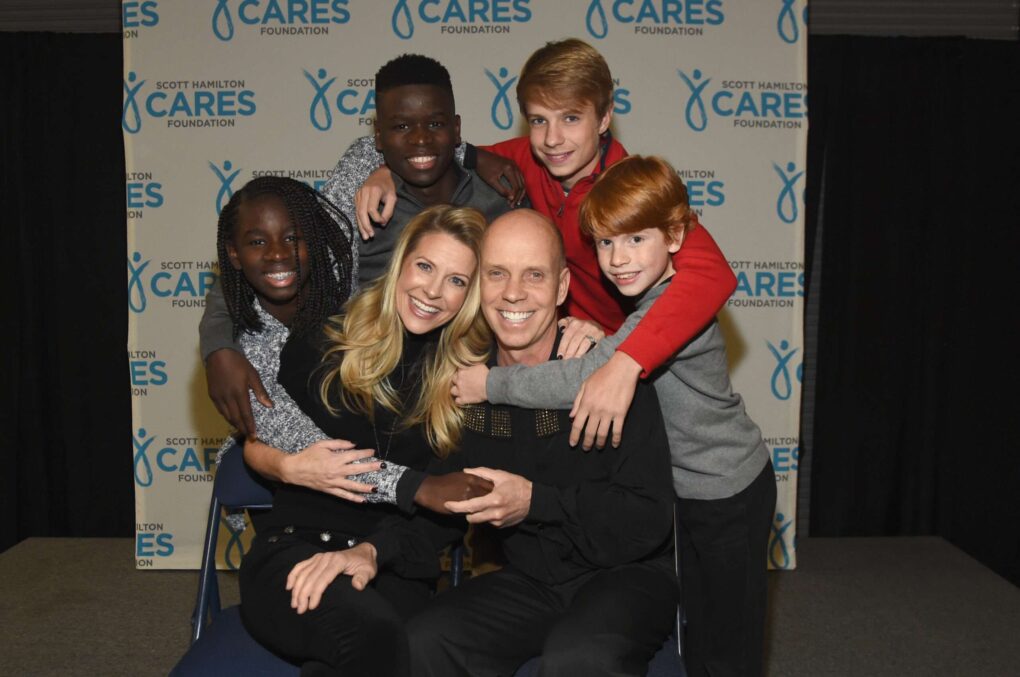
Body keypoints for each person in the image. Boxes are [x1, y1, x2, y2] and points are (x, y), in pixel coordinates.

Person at [453, 156, 776, 677]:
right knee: (696, 631)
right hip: (691, 491)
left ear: (675, 236)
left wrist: (489, 383)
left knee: (727, 641)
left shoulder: (672, 307)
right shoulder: (646, 300)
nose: (618, 259)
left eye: (634, 240)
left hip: (727, 490)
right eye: (605, 243)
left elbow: (587, 378)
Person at [353, 38, 738, 452]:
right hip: (558, 363)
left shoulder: (634, 189)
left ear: (604, 118)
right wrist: (384, 172)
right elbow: (433, 152)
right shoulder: (524, 160)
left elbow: (712, 274)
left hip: (630, 368)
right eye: (538, 121)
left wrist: (625, 361)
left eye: (571, 118)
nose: (553, 139)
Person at [406, 209, 680, 677]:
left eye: (534, 274)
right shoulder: (468, 384)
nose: (513, 293)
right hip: (531, 581)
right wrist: (368, 552)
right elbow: (443, 501)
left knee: (578, 659)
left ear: (561, 287)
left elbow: (647, 520)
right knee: (423, 640)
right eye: (497, 274)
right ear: (478, 285)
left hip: (627, 573)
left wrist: (536, 502)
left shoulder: (608, 373)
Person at [199, 53, 515, 443]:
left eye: (435, 124)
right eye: (400, 127)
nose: (419, 139)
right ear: (378, 138)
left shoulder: (499, 203)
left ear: (456, 129)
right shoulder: (357, 192)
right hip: (364, 389)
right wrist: (218, 346)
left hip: (462, 393)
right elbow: (269, 262)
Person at [233, 205, 491, 676]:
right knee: (371, 635)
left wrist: (371, 552)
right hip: (295, 550)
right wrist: (289, 467)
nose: (432, 291)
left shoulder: (471, 383)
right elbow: (257, 439)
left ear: (472, 295)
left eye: (457, 280)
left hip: (393, 569)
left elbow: (447, 518)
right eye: (426, 266)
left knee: (383, 646)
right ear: (401, 263)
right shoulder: (323, 341)